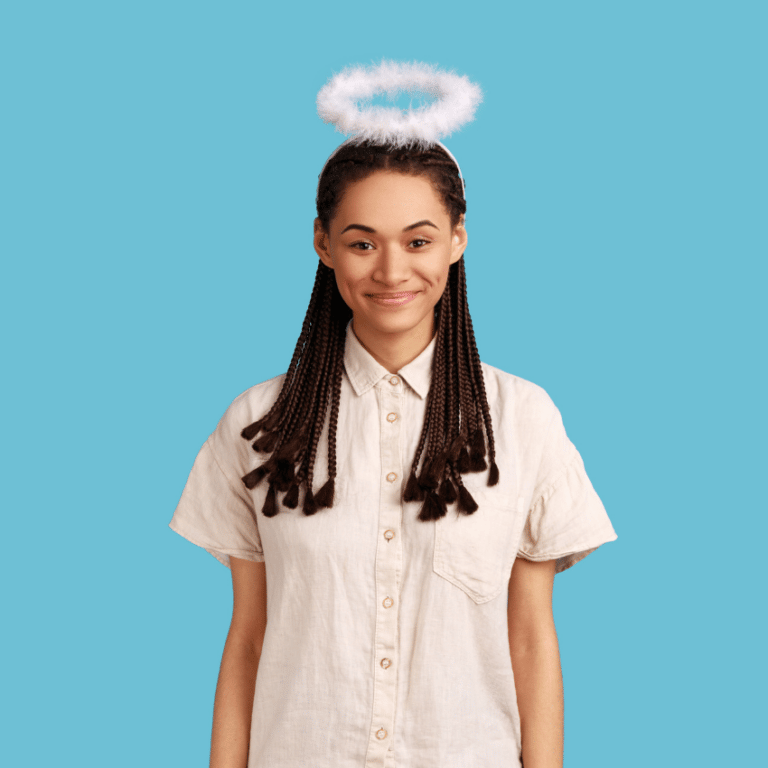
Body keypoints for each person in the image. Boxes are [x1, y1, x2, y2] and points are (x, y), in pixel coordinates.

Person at [169, 61, 618, 768]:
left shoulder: (524, 419)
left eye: (417, 240)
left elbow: (530, 638)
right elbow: (249, 638)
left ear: (457, 240)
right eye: (360, 242)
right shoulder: (258, 424)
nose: (390, 271)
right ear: (322, 244)